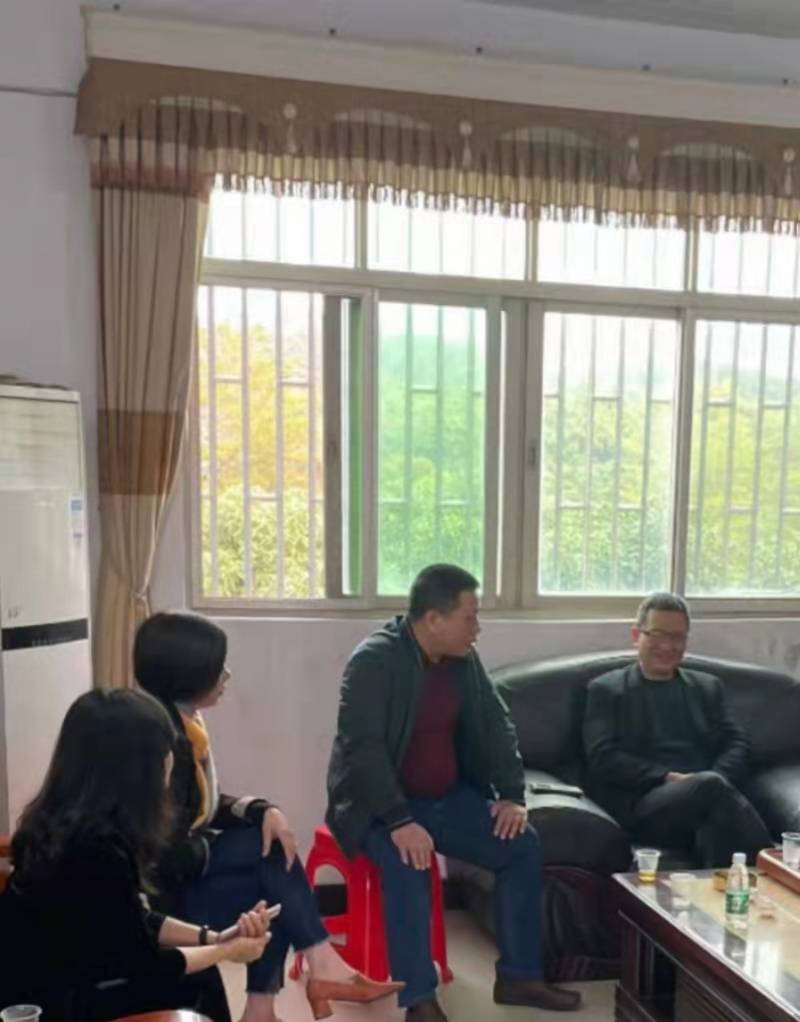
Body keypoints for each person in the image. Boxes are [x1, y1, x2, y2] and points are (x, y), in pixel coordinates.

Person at [326, 563, 582, 1021]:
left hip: (445, 799)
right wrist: (400, 820)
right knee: (408, 862)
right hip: (376, 807)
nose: (477, 628)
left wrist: (512, 794)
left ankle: (520, 977)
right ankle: (419, 1000)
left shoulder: (462, 659)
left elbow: (496, 721)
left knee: (521, 845)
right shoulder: (373, 662)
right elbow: (362, 751)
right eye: (470, 617)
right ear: (433, 619)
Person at [133, 611, 402, 1022]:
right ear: (186, 673)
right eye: (216, 667)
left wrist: (262, 810)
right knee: (268, 864)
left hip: (189, 875)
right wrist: (224, 842)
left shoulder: (183, 721)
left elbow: (203, 804)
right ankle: (314, 974)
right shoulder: (157, 740)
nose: (226, 676)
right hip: (167, 900)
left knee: (272, 869)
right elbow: (163, 853)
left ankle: (269, 1005)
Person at [0, 688, 270, 1022]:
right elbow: (142, 964)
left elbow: (129, 921)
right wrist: (227, 950)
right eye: (165, 752)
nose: (171, 760)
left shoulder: (64, 824)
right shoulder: (96, 852)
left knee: (200, 974)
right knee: (197, 981)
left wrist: (212, 938)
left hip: (55, 982)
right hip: (55, 1004)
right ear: (137, 769)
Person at [583, 591, 772, 867]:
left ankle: (731, 889)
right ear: (636, 635)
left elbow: (737, 743)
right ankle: (775, 868)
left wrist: (715, 779)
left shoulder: (707, 687)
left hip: (708, 796)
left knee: (714, 816)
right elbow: (603, 757)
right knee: (710, 792)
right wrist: (669, 777)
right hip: (646, 803)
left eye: (677, 637)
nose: (667, 646)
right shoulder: (607, 690)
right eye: (658, 634)